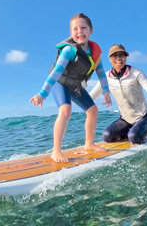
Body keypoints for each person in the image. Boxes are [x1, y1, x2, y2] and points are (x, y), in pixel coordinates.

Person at [30, 13, 112, 163]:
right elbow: (56, 73)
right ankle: (56, 151)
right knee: (65, 110)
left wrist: (106, 92)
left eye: (83, 28)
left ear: (91, 30)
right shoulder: (69, 50)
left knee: (93, 111)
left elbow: (101, 73)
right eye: (75, 29)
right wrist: (43, 93)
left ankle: (89, 144)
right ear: (71, 33)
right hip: (60, 83)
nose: (79, 32)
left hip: (75, 86)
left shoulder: (96, 53)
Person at [90, 44, 147, 144]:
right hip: (125, 120)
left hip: (144, 118)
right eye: (115, 55)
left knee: (134, 137)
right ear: (109, 58)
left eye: (122, 55)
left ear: (126, 57)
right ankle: (132, 133)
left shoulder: (136, 73)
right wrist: (72, 96)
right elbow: (91, 96)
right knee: (107, 136)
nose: (118, 58)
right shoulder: (106, 78)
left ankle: (137, 135)